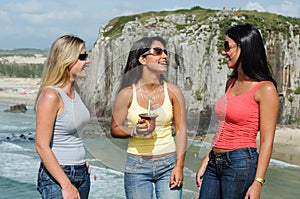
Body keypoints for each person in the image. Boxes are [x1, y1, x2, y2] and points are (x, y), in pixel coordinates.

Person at [196, 23, 279, 199]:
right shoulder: (231, 83)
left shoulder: (265, 89)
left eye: (227, 46)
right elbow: (223, 126)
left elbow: (266, 140)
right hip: (214, 162)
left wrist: (258, 182)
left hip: (240, 163)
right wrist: (207, 160)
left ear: (244, 48)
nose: (224, 52)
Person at [111, 36, 187, 199]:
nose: (165, 56)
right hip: (137, 166)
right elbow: (115, 129)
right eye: (158, 52)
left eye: (166, 53)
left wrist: (179, 166)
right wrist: (135, 131)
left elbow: (181, 131)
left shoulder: (174, 91)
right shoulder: (126, 94)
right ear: (142, 59)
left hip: (168, 164)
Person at [35, 34, 91, 199]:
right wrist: (66, 185)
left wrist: (81, 159)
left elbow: (73, 133)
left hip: (81, 172)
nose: (87, 61)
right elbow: (41, 146)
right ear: (66, 60)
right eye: (82, 57)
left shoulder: (76, 91)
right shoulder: (51, 95)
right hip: (59, 176)